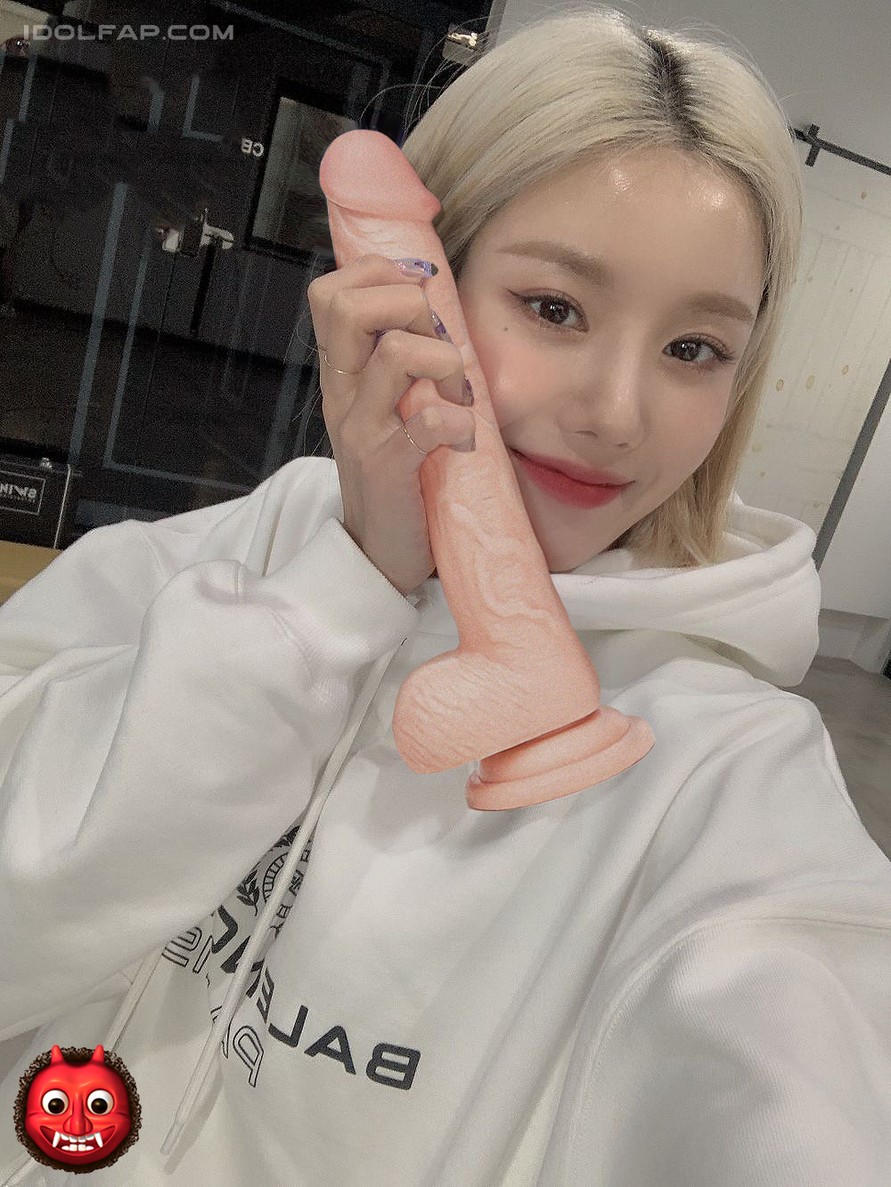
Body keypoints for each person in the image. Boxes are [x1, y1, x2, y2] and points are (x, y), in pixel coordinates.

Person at [1, 7, 890, 1184]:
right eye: (555, 307)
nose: (616, 413)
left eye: (694, 349)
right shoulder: (214, 556)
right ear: (418, 289)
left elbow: (790, 1062)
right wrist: (347, 588)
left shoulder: (731, 768)